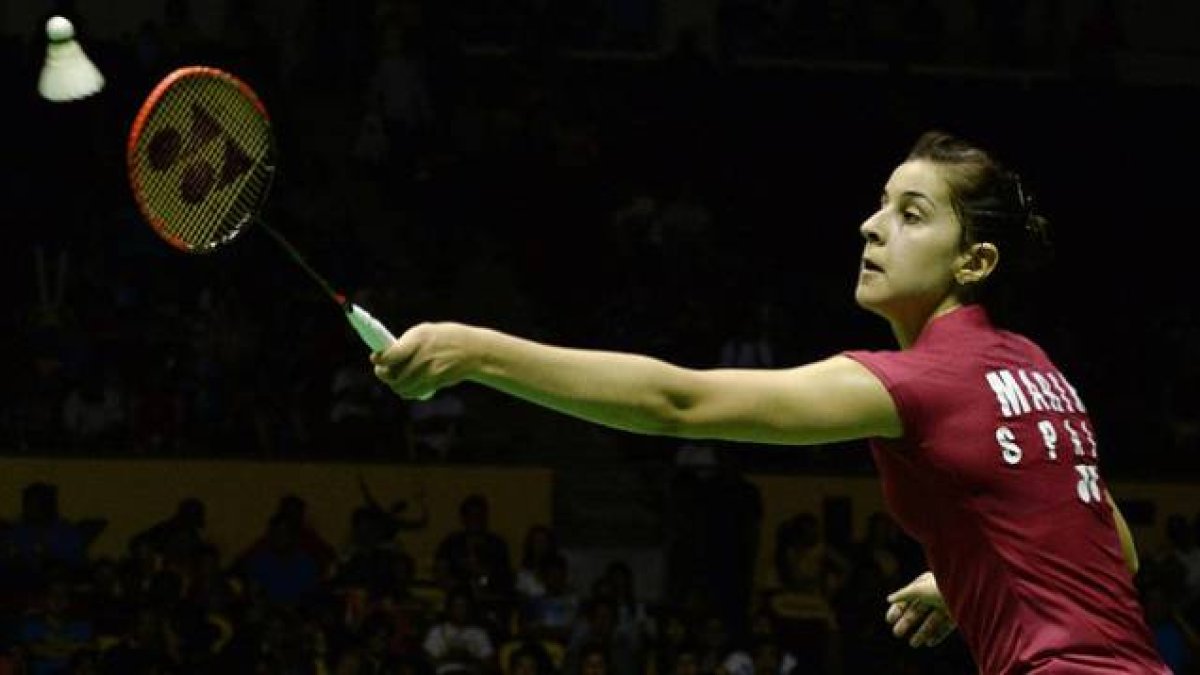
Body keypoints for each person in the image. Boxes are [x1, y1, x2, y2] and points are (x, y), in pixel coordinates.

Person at [371, 130, 1169, 673]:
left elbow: (679, 403)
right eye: (882, 202)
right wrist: (961, 576)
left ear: (976, 260)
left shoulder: (920, 381)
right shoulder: (1036, 368)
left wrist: (476, 352)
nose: (871, 226)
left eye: (910, 214)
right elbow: (1114, 547)